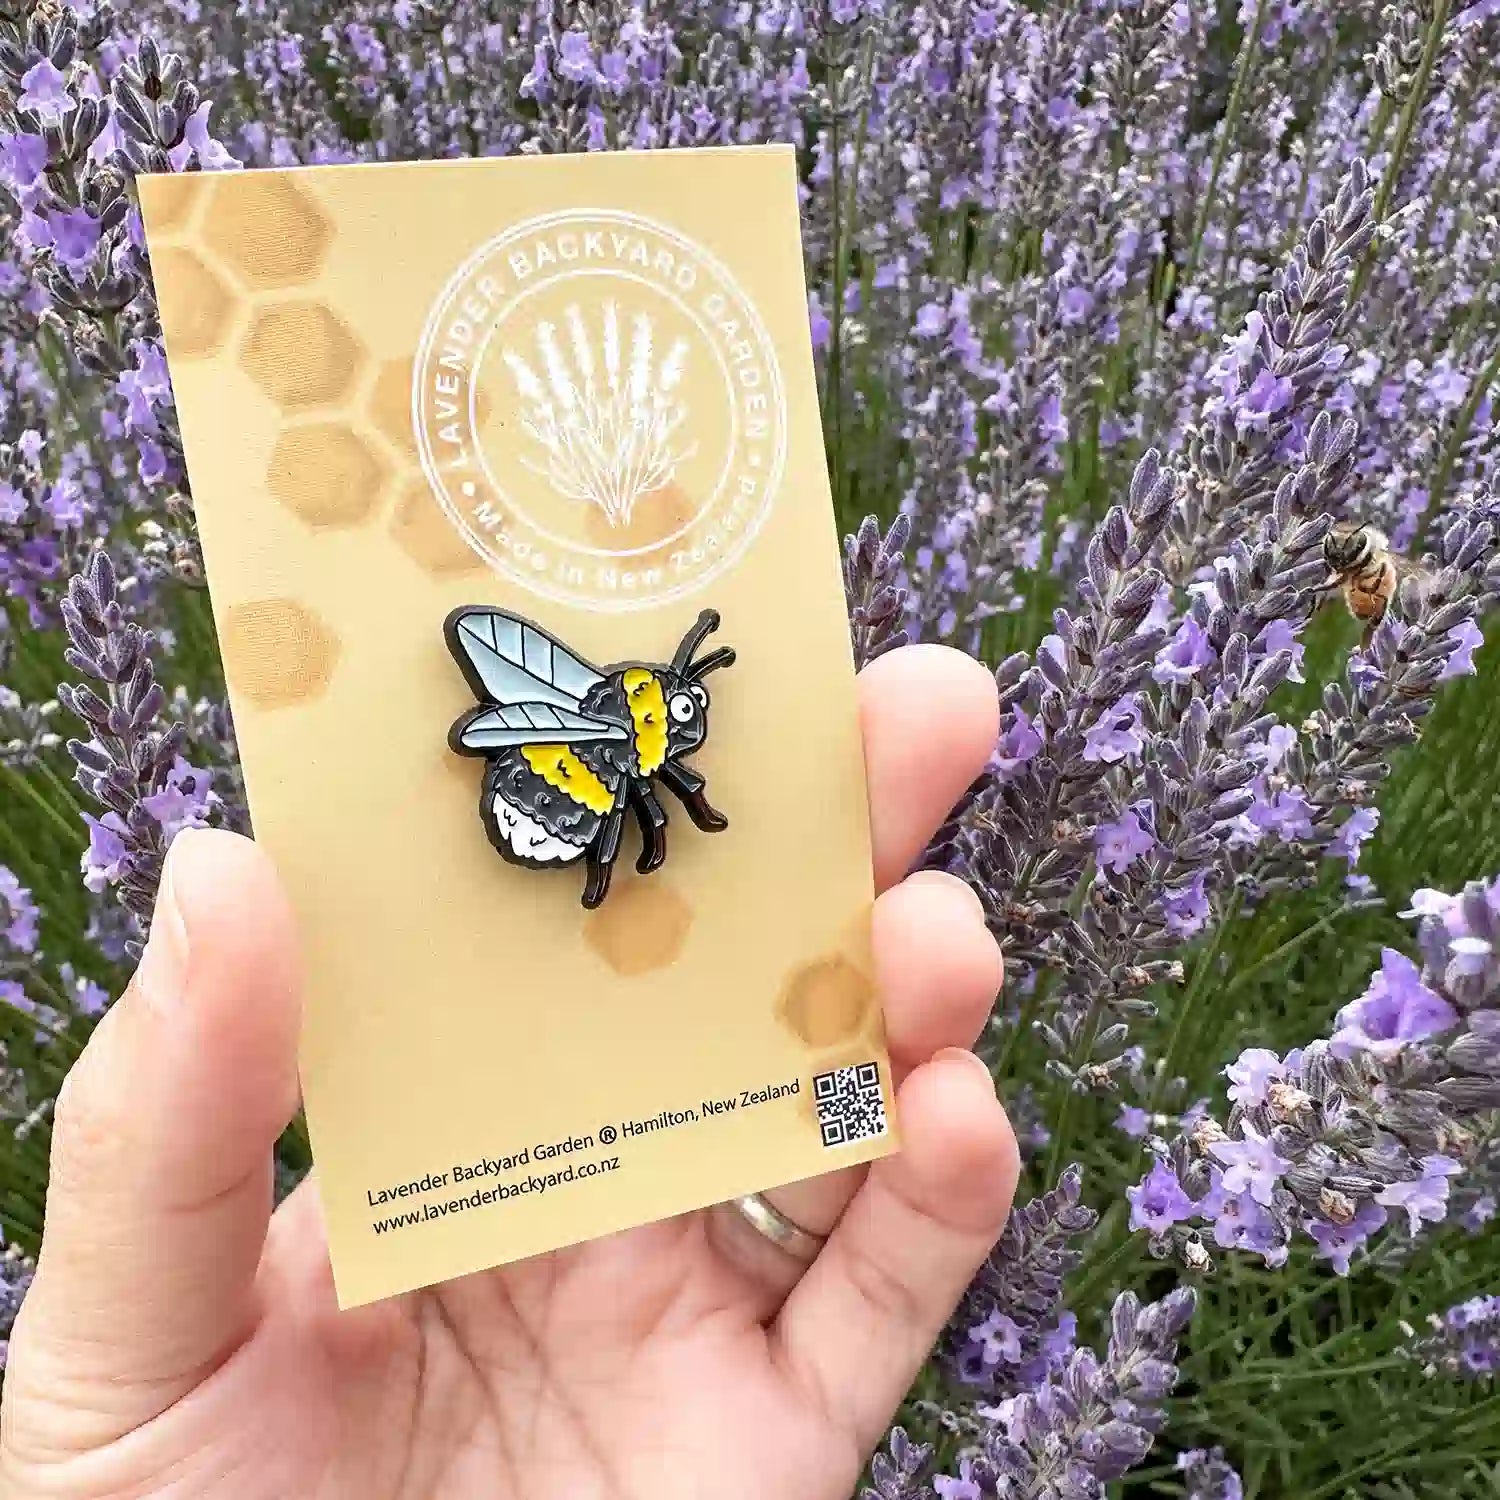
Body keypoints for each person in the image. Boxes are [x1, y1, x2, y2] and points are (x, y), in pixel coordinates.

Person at [0, 645, 1019, 1498]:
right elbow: (661, 807)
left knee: (920, 993)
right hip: (548, 812)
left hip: (560, 822)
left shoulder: (606, 704)